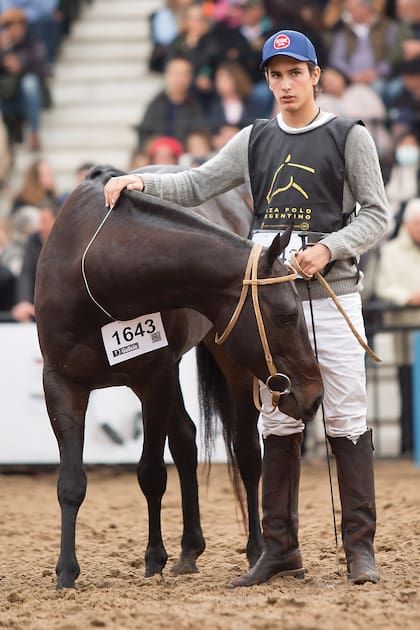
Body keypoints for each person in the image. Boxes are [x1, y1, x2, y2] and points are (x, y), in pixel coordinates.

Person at [104, 29, 389, 586]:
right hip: (268, 301)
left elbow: (376, 214)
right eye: (275, 75)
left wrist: (329, 246)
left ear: (315, 77)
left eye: (294, 74)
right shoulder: (254, 139)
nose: (285, 84)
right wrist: (140, 180)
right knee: (277, 419)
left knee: (348, 419)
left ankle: (360, 549)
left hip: (333, 295)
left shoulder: (347, 136)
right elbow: (197, 185)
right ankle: (280, 548)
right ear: (268, 81)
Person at [374, 198, 420, 455]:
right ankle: (408, 447)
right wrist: (408, 298)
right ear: (409, 224)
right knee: (409, 392)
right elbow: (384, 287)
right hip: (406, 335)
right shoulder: (391, 251)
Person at [135, 55, 209, 149]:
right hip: (159, 154)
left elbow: (201, 131)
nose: (180, 78)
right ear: (168, 75)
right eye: (177, 73)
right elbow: (144, 132)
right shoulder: (157, 103)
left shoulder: (195, 105)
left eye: (185, 74)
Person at [0, 7, 48, 151]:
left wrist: (20, 65)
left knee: (30, 84)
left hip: (29, 93)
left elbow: (40, 66)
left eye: (18, 27)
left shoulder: (33, 41)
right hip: (7, 93)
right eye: (11, 28)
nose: (16, 31)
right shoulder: (3, 45)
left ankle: (34, 131)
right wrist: (6, 49)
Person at [11, 196, 58, 322]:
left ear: (57, 220)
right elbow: (26, 273)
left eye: (43, 221)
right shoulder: (33, 239)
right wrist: (24, 301)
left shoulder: (71, 241)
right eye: (38, 221)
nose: (39, 227)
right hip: (38, 308)